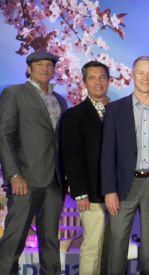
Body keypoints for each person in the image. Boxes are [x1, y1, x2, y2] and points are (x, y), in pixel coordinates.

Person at [100, 56, 149, 275]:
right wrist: (109, 189)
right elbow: (107, 153)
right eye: (140, 73)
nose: (145, 78)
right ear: (132, 75)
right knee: (117, 248)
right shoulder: (115, 110)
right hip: (123, 187)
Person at [0, 51, 68, 275]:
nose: (45, 68)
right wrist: (13, 175)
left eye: (49, 65)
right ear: (29, 68)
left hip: (54, 182)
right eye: (39, 64)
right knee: (14, 239)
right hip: (25, 180)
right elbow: (4, 135)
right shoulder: (14, 93)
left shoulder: (60, 100)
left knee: (50, 241)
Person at [61, 60, 111, 275]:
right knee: (92, 246)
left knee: (110, 248)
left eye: (102, 77)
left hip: (117, 193)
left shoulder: (119, 112)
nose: (97, 82)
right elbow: (71, 156)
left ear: (109, 81)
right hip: (91, 194)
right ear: (84, 82)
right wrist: (80, 193)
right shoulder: (75, 115)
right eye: (92, 78)